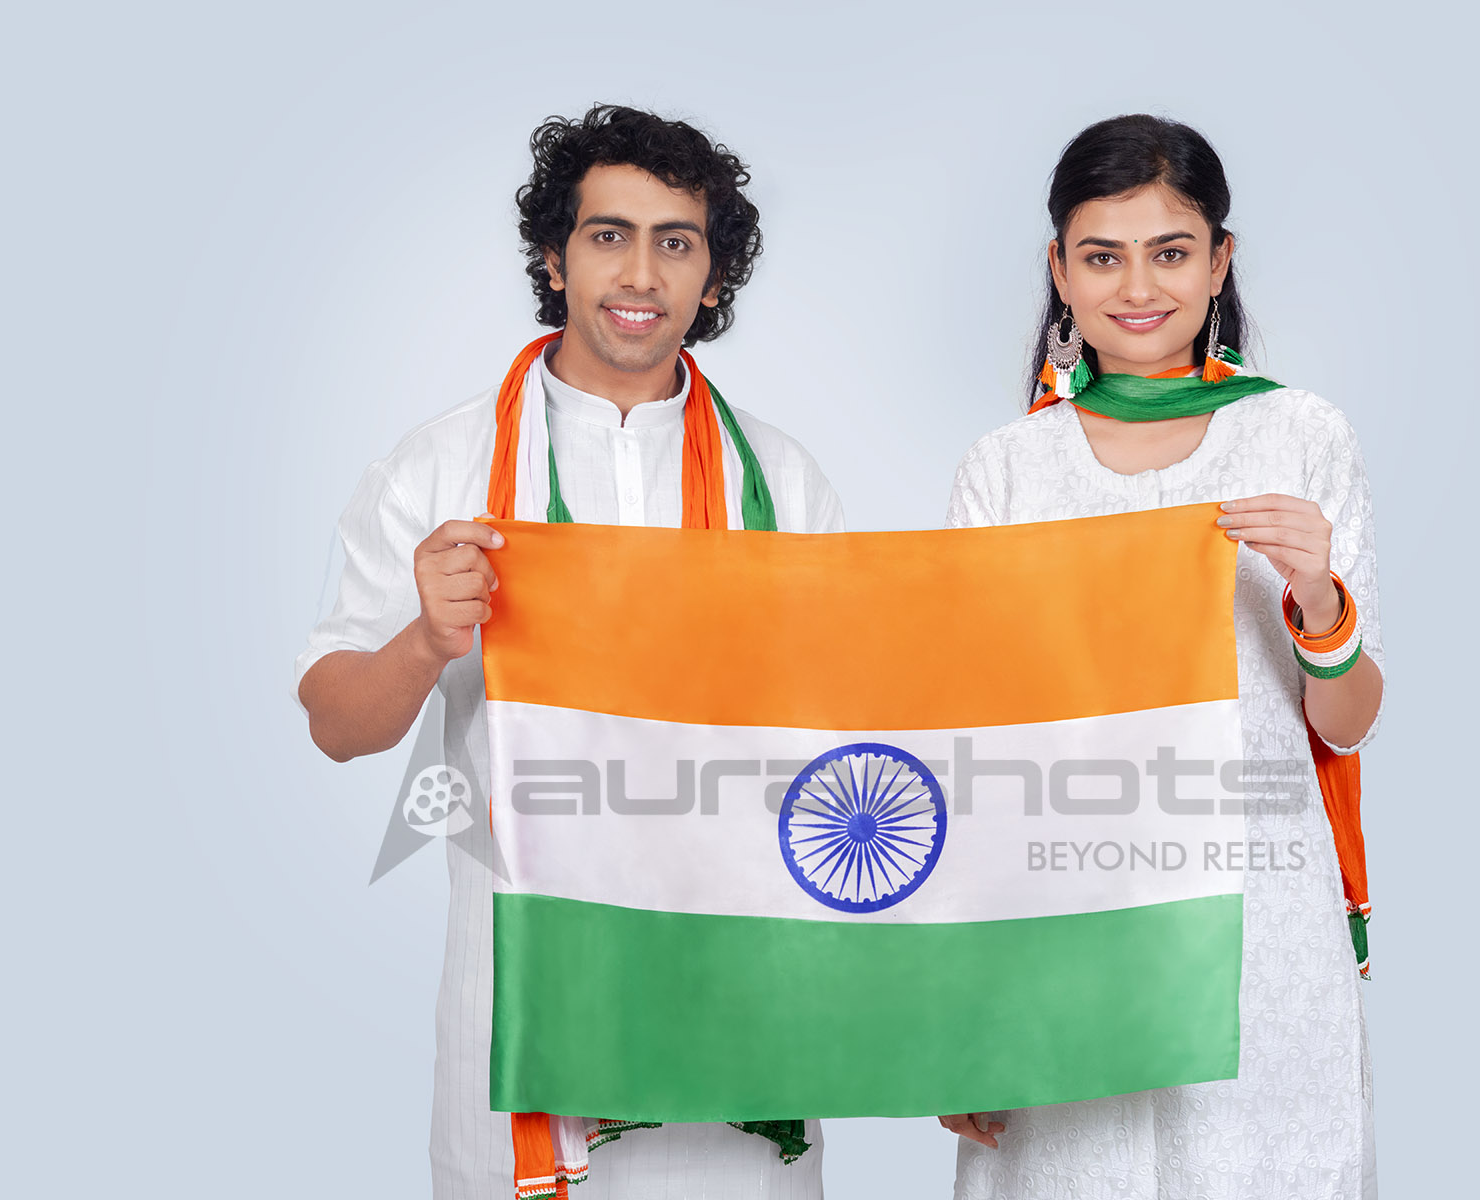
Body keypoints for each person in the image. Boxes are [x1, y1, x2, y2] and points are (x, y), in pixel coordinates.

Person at [295, 104, 839, 1199]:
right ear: (554, 256)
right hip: (526, 1014)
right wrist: (427, 638)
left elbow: (856, 739)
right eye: (608, 235)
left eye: (676, 241)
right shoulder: (439, 468)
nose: (640, 271)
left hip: (738, 1005)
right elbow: (335, 725)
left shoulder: (782, 485)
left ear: (713, 278)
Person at [937, 114, 1385, 1199]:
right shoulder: (1008, 469)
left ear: (1220, 258)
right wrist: (959, 1005)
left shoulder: (1298, 437)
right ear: (1059, 268)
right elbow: (967, 738)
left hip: (1262, 920)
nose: (1138, 286)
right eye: (1102, 255)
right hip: (1063, 913)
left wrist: (1319, 598)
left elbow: (1348, 721)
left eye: (1171, 251)